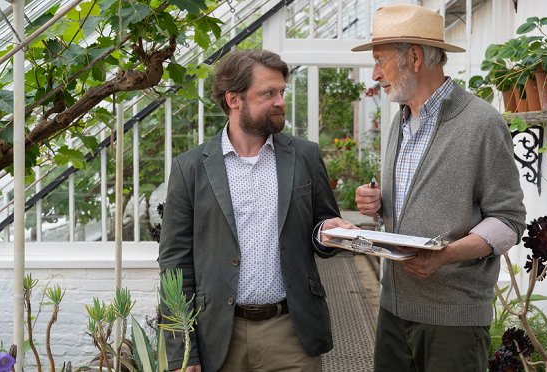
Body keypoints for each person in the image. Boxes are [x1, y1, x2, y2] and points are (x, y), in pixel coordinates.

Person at [353, 4, 527, 372]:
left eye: (380, 61)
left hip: (453, 322)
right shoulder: (401, 122)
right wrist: (379, 203)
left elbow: (509, 220)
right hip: (393, 310)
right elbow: (419, 199)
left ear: (414, 57)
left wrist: (446, 255)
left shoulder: (481, 123)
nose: (375, 74)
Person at [158, 49, 355, 372]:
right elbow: (174, 264)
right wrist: (184, 350)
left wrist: (328, 233)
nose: (280, 101)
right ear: (234, 100)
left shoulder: (304, 156)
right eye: (268, 93)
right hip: (219, 334)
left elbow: (322, 225)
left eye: (281, 92)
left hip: (291, 332)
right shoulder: (190, 169)